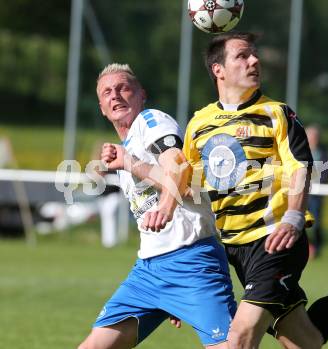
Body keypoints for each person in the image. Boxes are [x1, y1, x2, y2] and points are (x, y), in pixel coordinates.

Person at [183, 32, 328, 349]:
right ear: (218, 70)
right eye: (242, 55)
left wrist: (294, 216)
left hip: (275, 240)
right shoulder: (198, 123)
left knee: (238, 338)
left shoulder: (277, 114)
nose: (254, 60)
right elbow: (188, 187)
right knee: (305, 340)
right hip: (233, 250)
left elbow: (301, 166)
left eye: (255, 54)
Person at [78, 63, 236, 349]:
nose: (115, 95)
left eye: (123, 88)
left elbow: (181, 174)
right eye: (107, 92)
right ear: (102, 107)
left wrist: (163, 204)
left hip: (191, 262)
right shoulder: (126, 147)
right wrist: (168, 299)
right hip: (149, 272)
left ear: (141, 95)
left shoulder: (152, 122)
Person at [305, 125, 328, 258]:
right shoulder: (300, 150)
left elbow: (327, 172)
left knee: (316, 222)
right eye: (310, 136)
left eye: (315, 136)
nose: (313, 139)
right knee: (300, 221)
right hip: (301, 192)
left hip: (316, 193)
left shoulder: (324, 153)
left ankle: (316, 247)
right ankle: (305, 248)